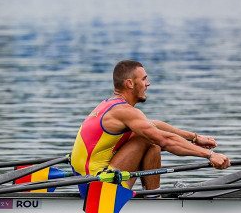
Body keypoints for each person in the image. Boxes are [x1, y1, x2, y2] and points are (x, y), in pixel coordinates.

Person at [71, 60, 231, 190]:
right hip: (98, 187)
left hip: (88, 180)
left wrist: (195, 137)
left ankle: (153, 195)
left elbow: (155, 125)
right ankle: (154, 200)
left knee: (150, 139)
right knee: (150, 139)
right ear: (130, 84)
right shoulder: (125, 111)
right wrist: (210, 155)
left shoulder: (110, 106)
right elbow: (166, 140)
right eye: (143, 79)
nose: (148, 83)